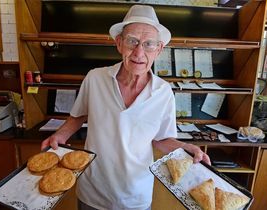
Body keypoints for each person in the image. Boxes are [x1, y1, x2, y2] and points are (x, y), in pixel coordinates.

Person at [41, 4, 210, 210]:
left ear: (159, 50)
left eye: (149, 44)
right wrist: (60, 135)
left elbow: (162, 138)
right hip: (93, 190)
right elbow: (78, 116)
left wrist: (185, 148)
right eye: (132, 41)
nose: (139, 52)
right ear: (119, 43)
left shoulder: (163, 92)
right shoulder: (95, 78)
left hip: (135, 194)